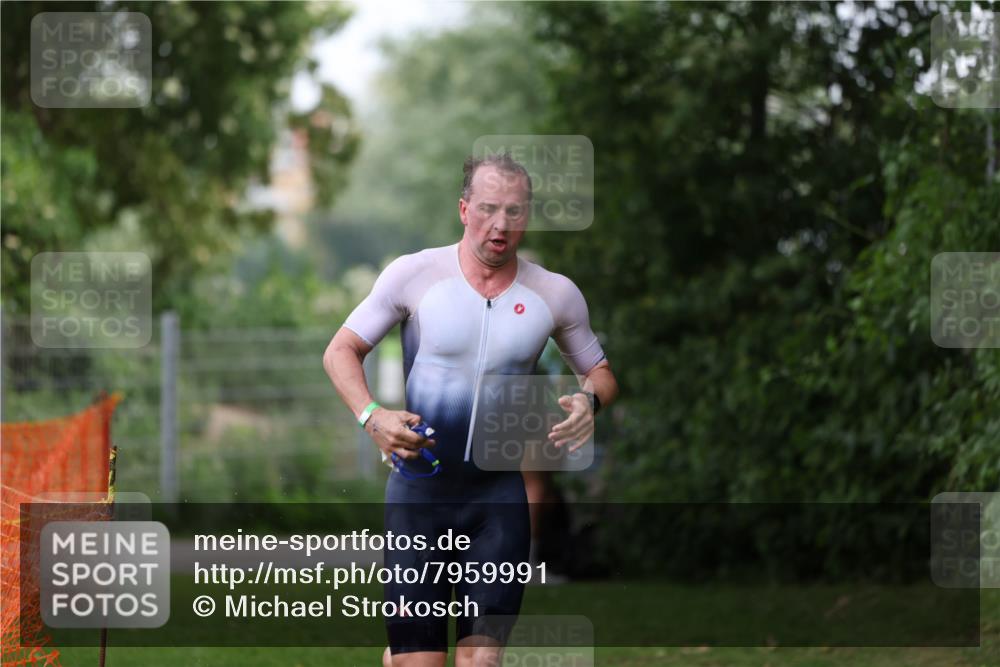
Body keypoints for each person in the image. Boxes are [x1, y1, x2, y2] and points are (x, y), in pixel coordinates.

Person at [323, 152, 618, 667]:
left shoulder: (555, 294)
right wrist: (373, 415)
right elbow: (339, 351)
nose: (499, 224)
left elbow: (602, 374)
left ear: (527, 216)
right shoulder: (414, 275)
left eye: (514, 211)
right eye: (487, 208)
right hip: (420, 496)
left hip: (497, 502)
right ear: (463, 209)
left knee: (480, 662)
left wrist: (589, 401)